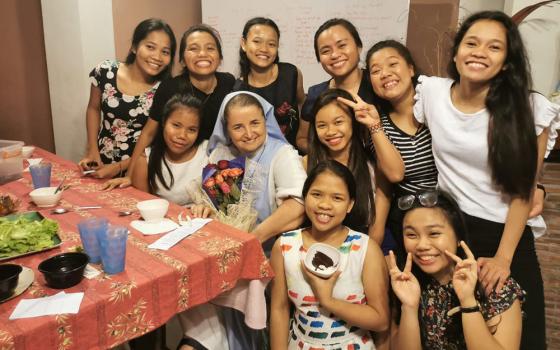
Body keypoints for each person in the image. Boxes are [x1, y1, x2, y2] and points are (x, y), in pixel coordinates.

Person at [413, 11, 560, 349]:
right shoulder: (432, 94)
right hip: (449, 230)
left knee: (522, 337)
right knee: (448, 335)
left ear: (507, 62)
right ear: (456, 52)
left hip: (505, 233)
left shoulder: (529, 108)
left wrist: (503, 258)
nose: (480, 52)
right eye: (472, 43)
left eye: (494, 47)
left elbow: (524, 190)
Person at [178, 91, 307, 350]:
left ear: (265, 122)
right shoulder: (221, 154)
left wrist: (254, 238)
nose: (248, 133)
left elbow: (298, 206)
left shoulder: (281, 154)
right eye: (238, 126)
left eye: (255, 123)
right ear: (226, 128)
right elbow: (211, 200)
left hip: (272, 256)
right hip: (229, 256)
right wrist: (204, 209)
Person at [270, 160, 390, 349]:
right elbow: (279, 309)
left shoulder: (366, 249)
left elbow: (380, 320)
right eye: (317, 194)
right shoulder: (285, 246)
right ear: (305, 196)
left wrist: (328, 301)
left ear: (350, 204)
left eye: (337, 198)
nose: (325, 204)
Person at [104, 24, 235, 189]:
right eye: (193, 49)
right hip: (176, 170)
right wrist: (131, 174)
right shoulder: (170, 89)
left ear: (220, 57)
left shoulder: (229, 83)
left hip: (214, 168)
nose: (202, 54)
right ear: (182, 60)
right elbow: (149, 133)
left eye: (210, 48)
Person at [389, 190, 524, 349]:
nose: (422, 245)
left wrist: (468, 301)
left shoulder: (493, 283)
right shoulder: (409, 284)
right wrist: (409, 307)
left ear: (458, 236)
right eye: (411, 235)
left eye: (434, 233)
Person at [365, 40, 438, 255]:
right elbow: (388, 182)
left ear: (411, 69)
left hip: (451, 215)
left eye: (392, 64)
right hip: (408, 221)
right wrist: (373, 241)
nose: (385, 74)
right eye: (376, 70)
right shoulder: (378, 125)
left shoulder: (437, 107)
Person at [79, 18, 176, 179]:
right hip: (101, 160)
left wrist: (119, 168)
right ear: (134, 46)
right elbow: (93, 108)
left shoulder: (166, 89)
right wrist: (92, 150)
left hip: (141, 169)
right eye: (150, 47)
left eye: (165, 52)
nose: (157, 57)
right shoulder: (105, 71)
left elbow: (157, 141)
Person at [305, 88, 401, 248]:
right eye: (322, 125)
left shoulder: (373, 164)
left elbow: (376, 230)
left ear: (353, 121)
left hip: (368, 245)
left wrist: (357, 260)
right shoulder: (306, 163)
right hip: (319, 245)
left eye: (338, 122)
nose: (331, 132)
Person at [234, 17, 305, 149]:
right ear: (244, 44)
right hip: (258, 159)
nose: (264, 49)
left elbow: (302, 104)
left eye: (271, 44)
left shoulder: (291, 73)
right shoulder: (239, 91)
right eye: (257, 41)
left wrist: (303, 139)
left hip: (294, 153)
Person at [131, 94, 208, 205]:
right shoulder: (145, 161)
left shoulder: (209, 154)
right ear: (163, 122)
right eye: (176, 125)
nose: (182, 135)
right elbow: (143, 208)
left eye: (191, 129)